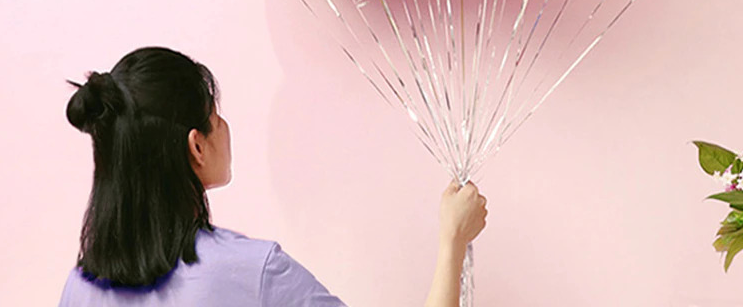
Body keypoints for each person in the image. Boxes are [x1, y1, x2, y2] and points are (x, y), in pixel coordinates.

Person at [59, 46, 488, 307]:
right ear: (196, 146)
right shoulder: (253, 272)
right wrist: (452, 240)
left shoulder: (79, 287)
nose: (225, 127)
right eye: (215, 117)